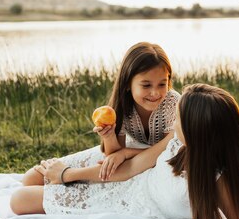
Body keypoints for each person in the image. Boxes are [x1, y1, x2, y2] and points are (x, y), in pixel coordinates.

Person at [10, 84, 239, 219]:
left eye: (177, 118)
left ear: (198, 130)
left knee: (19, 199)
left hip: (131, 204)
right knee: (29, 180)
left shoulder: (218, 178)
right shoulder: (179, 142)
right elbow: (132, 169)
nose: (172, 124)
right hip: (129, 183)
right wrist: (68, 175)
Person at [21, 42, 180, 185]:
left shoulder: (174, 104)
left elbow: (166, 152)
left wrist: (125, 153)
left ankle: (69, 181)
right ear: (127, 84)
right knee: (31, 178)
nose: (155, 92)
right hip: (132, 156)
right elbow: (113, 154)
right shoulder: (123, 106)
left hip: (163, 161)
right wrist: (109, 136)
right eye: (146, 85)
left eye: (162, 84)